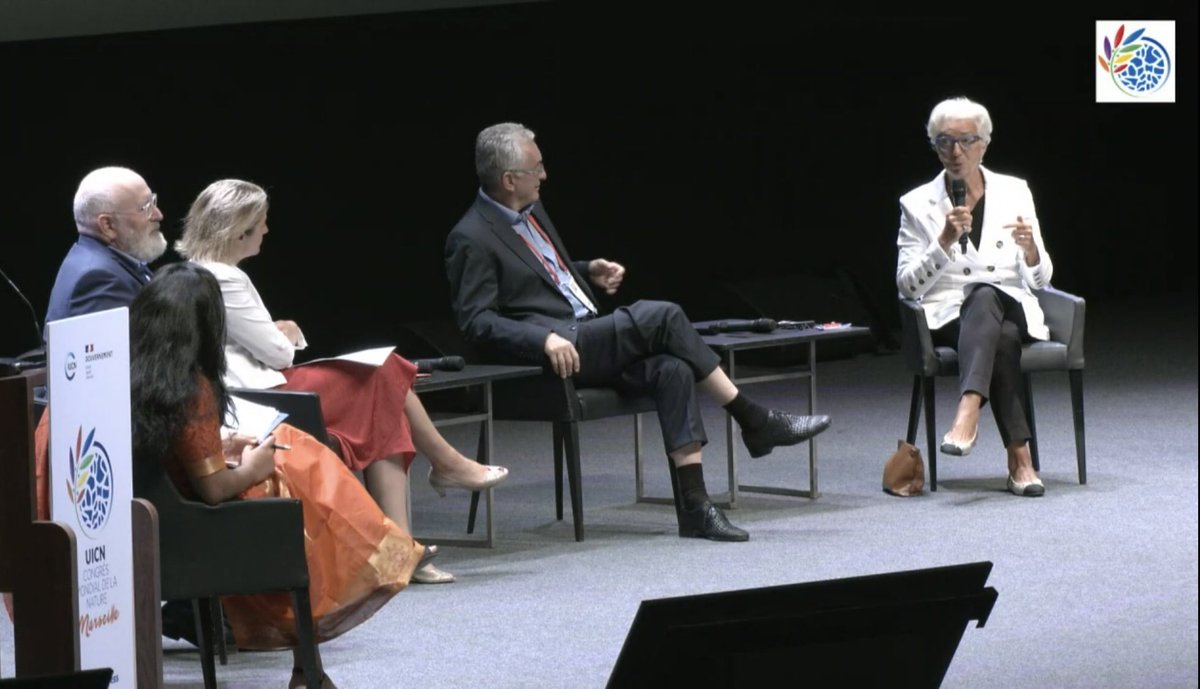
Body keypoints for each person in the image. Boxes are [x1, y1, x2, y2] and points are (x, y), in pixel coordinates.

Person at [445, 122, 832, 542]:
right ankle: (753, 418)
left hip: (584, 332)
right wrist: (542, 339)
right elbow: (477, 321)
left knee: (671, 369)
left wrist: (586, 270)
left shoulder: (531, 212)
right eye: (536, 167)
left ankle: (695, 508)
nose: (544, 175)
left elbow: (536, 278)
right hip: (554, 353)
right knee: (661, 316)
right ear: (509, 179)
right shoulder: (471, 237)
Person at [176, 179, 506, 583]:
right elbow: (278, 352)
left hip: (262, 384)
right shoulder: (224, 277)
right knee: (387, 369)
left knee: (386, 396)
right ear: (240, 229)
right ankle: (446, 465)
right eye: (262, 222)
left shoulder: (201, 272)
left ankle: (400, 548)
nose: (266, 230)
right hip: (264, 396)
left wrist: (274, 332)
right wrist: (288, 331)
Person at [130, 262, 425, 689]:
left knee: (294, 454)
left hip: (154, 517)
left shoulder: (133, 374)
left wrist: (222, 448)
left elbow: (180, 452)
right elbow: (214, 489)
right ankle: (371, 571)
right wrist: (254, 466)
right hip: (193, 527)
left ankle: (313, 663)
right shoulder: (190, 388)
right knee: (292, 473)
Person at [895, 96, 1054, 497]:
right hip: (951, 316)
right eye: (945, 141)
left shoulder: (1016, 191)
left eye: (966, 140)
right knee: (1000, 336)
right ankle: (1020, 460)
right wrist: (944, 241)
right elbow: (907, 286)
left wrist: (1032, 249)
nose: (956, 151)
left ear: (984, 143)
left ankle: (967, 411)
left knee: (988, 295)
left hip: (1013, 305)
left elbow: (1040, 279)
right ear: (934, 145)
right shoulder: (916, 204)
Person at [45, 166, 166, 330]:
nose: (158, 215)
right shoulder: (98, 279)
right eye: (146, 208)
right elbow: (134, 352)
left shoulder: (101, 259)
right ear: (108, 225)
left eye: (153, 201)